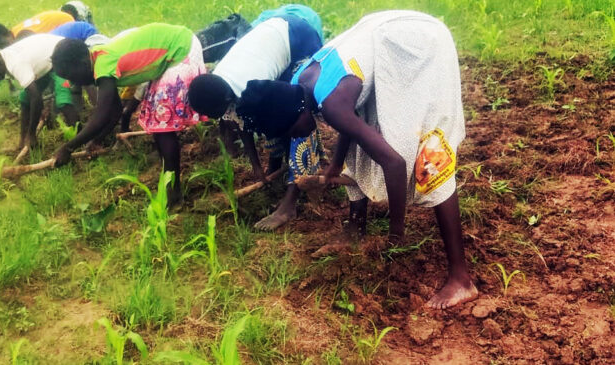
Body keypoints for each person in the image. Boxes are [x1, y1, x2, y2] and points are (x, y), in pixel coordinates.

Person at [234, 10, 478, 310]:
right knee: (365, 138)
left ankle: (461, 278)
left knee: (428, 156)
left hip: (417, 47)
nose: (296, 138)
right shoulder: (299, 83)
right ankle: (355, 227)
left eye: (291, 133)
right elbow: (348, 118)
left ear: (295, 116)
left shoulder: (331, 102)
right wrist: (336, 164)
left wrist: (395, 233)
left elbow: (393, 163)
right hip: (385, 44)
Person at [187, 5, 323, 230]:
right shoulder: (219, 84)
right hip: (271, 35)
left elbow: (302, 108)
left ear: (227, 100)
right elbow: (242, 121)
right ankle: (276, 167)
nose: (220, 118)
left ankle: (290, 202)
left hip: (298, 37)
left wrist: (298, 124)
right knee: (264, 118)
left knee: (296, 117)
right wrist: (256, 167)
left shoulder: (254, 89)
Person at [50, 23, 206, 206]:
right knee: (157, 121)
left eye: (70, 75)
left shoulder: (103, 63)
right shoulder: (98, 59)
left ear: (83, 64)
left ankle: (174, 195)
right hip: (172, 50)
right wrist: (97, 140)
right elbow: (115, 111)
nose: (71, 81)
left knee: (162, 126)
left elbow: (101, 115)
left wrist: (68, 148)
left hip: (180, 48)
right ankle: (169, 180)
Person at [0, 34, 79, 151]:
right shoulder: (4, 58)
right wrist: (25, 136)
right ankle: (22, 141)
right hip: (47, 64)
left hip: (64, 55)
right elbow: (31, 97)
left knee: (62, 100)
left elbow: (37, 100)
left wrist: (32, 134)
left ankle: (81, 137)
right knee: (24, 98)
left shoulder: (15, 64)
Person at [0, 10, 74, 49]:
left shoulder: (21, 36)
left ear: (8, 34)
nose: (7, 48)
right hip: (63, 18)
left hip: (67, 24)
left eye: (5, 44)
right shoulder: (15, 31)